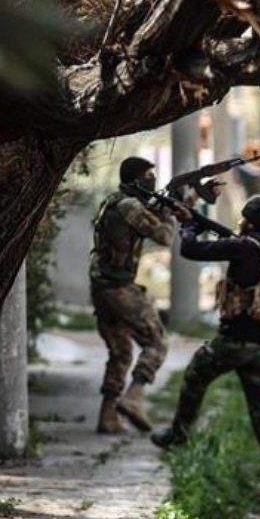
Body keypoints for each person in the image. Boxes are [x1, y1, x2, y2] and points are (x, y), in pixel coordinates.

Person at [150, 195, 260, 503]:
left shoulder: (244, 247)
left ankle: (178, 435)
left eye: (243, 218)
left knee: (195, 374)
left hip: (235, 341)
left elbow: (190, 250)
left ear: (249, 221)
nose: (239, 223)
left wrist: (188, 224)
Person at [89, 156, 186, 435]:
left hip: (101, 285)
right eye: (147, 175)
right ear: (135, 179)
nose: (152, 179)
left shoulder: (114, 200)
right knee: (157, 342)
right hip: (119, 287)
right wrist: (171, 211)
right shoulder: (130, 205)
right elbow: (164, 237)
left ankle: (108, 418)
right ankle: (133, 398)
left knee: (120, 352)